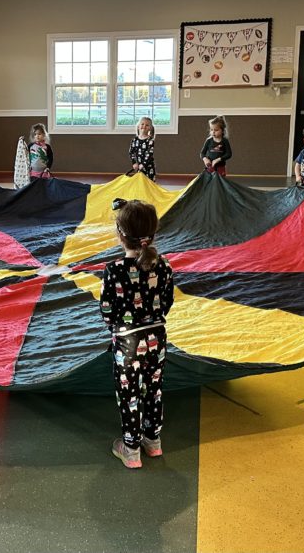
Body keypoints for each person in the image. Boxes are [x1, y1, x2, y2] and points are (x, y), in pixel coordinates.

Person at [100, 199, 175, 469]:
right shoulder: (164, 267)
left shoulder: (113, 271)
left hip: (127, 343)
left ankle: (131, 449)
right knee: (153, 390)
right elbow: (167, 303)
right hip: (158, 339)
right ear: (153, 234)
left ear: (120, 234)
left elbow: (107, 311)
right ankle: (153, 441)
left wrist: (117, 327)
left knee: (129, 395)